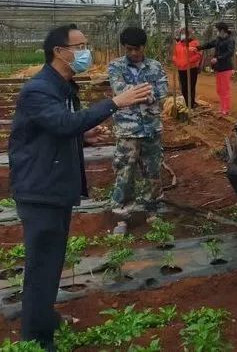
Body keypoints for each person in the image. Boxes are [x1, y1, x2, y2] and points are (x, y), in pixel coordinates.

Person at [8, 24, 152, 351]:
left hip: (53, 186)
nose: (86, 51)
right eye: (80, 45)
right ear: (59, 52)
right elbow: (62, 123)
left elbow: (58, 128)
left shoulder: (63, 85)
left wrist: (81, 136)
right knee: (42, 264)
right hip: (40, 189)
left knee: (51, 261)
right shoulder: (39, 89)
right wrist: (115, 102)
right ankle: (36, 338)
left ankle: (43, 317)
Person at [108, 27, 168, 232]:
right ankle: (122, 216)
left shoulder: (155, 66)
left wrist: (135, 94)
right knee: (125, 173)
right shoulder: (116, 66)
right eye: (129, 49)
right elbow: (119, 91)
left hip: (151, 128)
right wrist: (145, 92)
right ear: (124, 48)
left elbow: (161, 91)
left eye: (137, 49)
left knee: (153, 171)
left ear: (144, 47)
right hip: (128, 131)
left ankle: (153, 210)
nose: (133, 53)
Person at [198, 22, 235, 116]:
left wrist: (218, 58)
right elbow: (209, 44)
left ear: (222, 30)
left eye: (217, 30)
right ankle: (222, 108)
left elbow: (230, 53)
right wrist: (198, 48)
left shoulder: (230, 40)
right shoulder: (219, 39)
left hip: (226, 68)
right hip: (218, 68)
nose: (216, 32)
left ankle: (225, 109)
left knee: (225, 89)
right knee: (219, 89)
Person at [172, 27, 201, 108]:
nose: (183, 35)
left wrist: (188, 61)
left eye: (185, 33)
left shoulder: (194, 43)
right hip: (181, 69)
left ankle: (191, 105)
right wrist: (177, 62)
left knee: (191, 86)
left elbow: (198, 55)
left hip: (191, 68)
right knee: (184, 87)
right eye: (182, 33)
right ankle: (187, 102)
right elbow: (174, 55)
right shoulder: (178, 45)